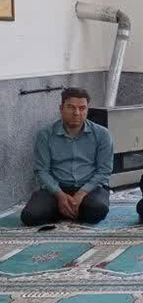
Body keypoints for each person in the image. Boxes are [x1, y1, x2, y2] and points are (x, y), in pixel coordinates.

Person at [21, 87, 113, 226]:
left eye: (82, 108)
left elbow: (104, 171)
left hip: (89, 188)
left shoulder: (102, 134)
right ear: (61, 108)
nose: (77, 113)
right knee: (30, 216)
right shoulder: (45, 134)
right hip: (56, 188)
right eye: (71, 107)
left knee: (98, 211)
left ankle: (64, 210)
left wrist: (81, 193)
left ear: (87, 109)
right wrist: (59, 195)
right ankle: (66, 208)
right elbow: (42, 171)